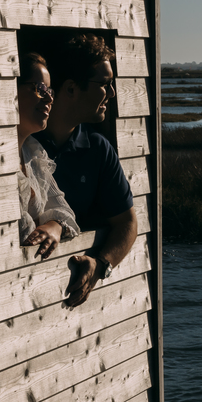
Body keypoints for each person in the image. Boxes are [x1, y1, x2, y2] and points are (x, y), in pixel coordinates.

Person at [35, 34, 137, 307]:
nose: (112, 93)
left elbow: (127, 223)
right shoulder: (26, 143)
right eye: (104, 84)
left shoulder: (98, 149)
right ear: (70, 89)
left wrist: (100, 264)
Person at [16, 52, 80, 259]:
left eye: (50, 90)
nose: (50, 98)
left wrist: (55, 226)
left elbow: (66, 212)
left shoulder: (33, 154)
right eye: (39, 89)